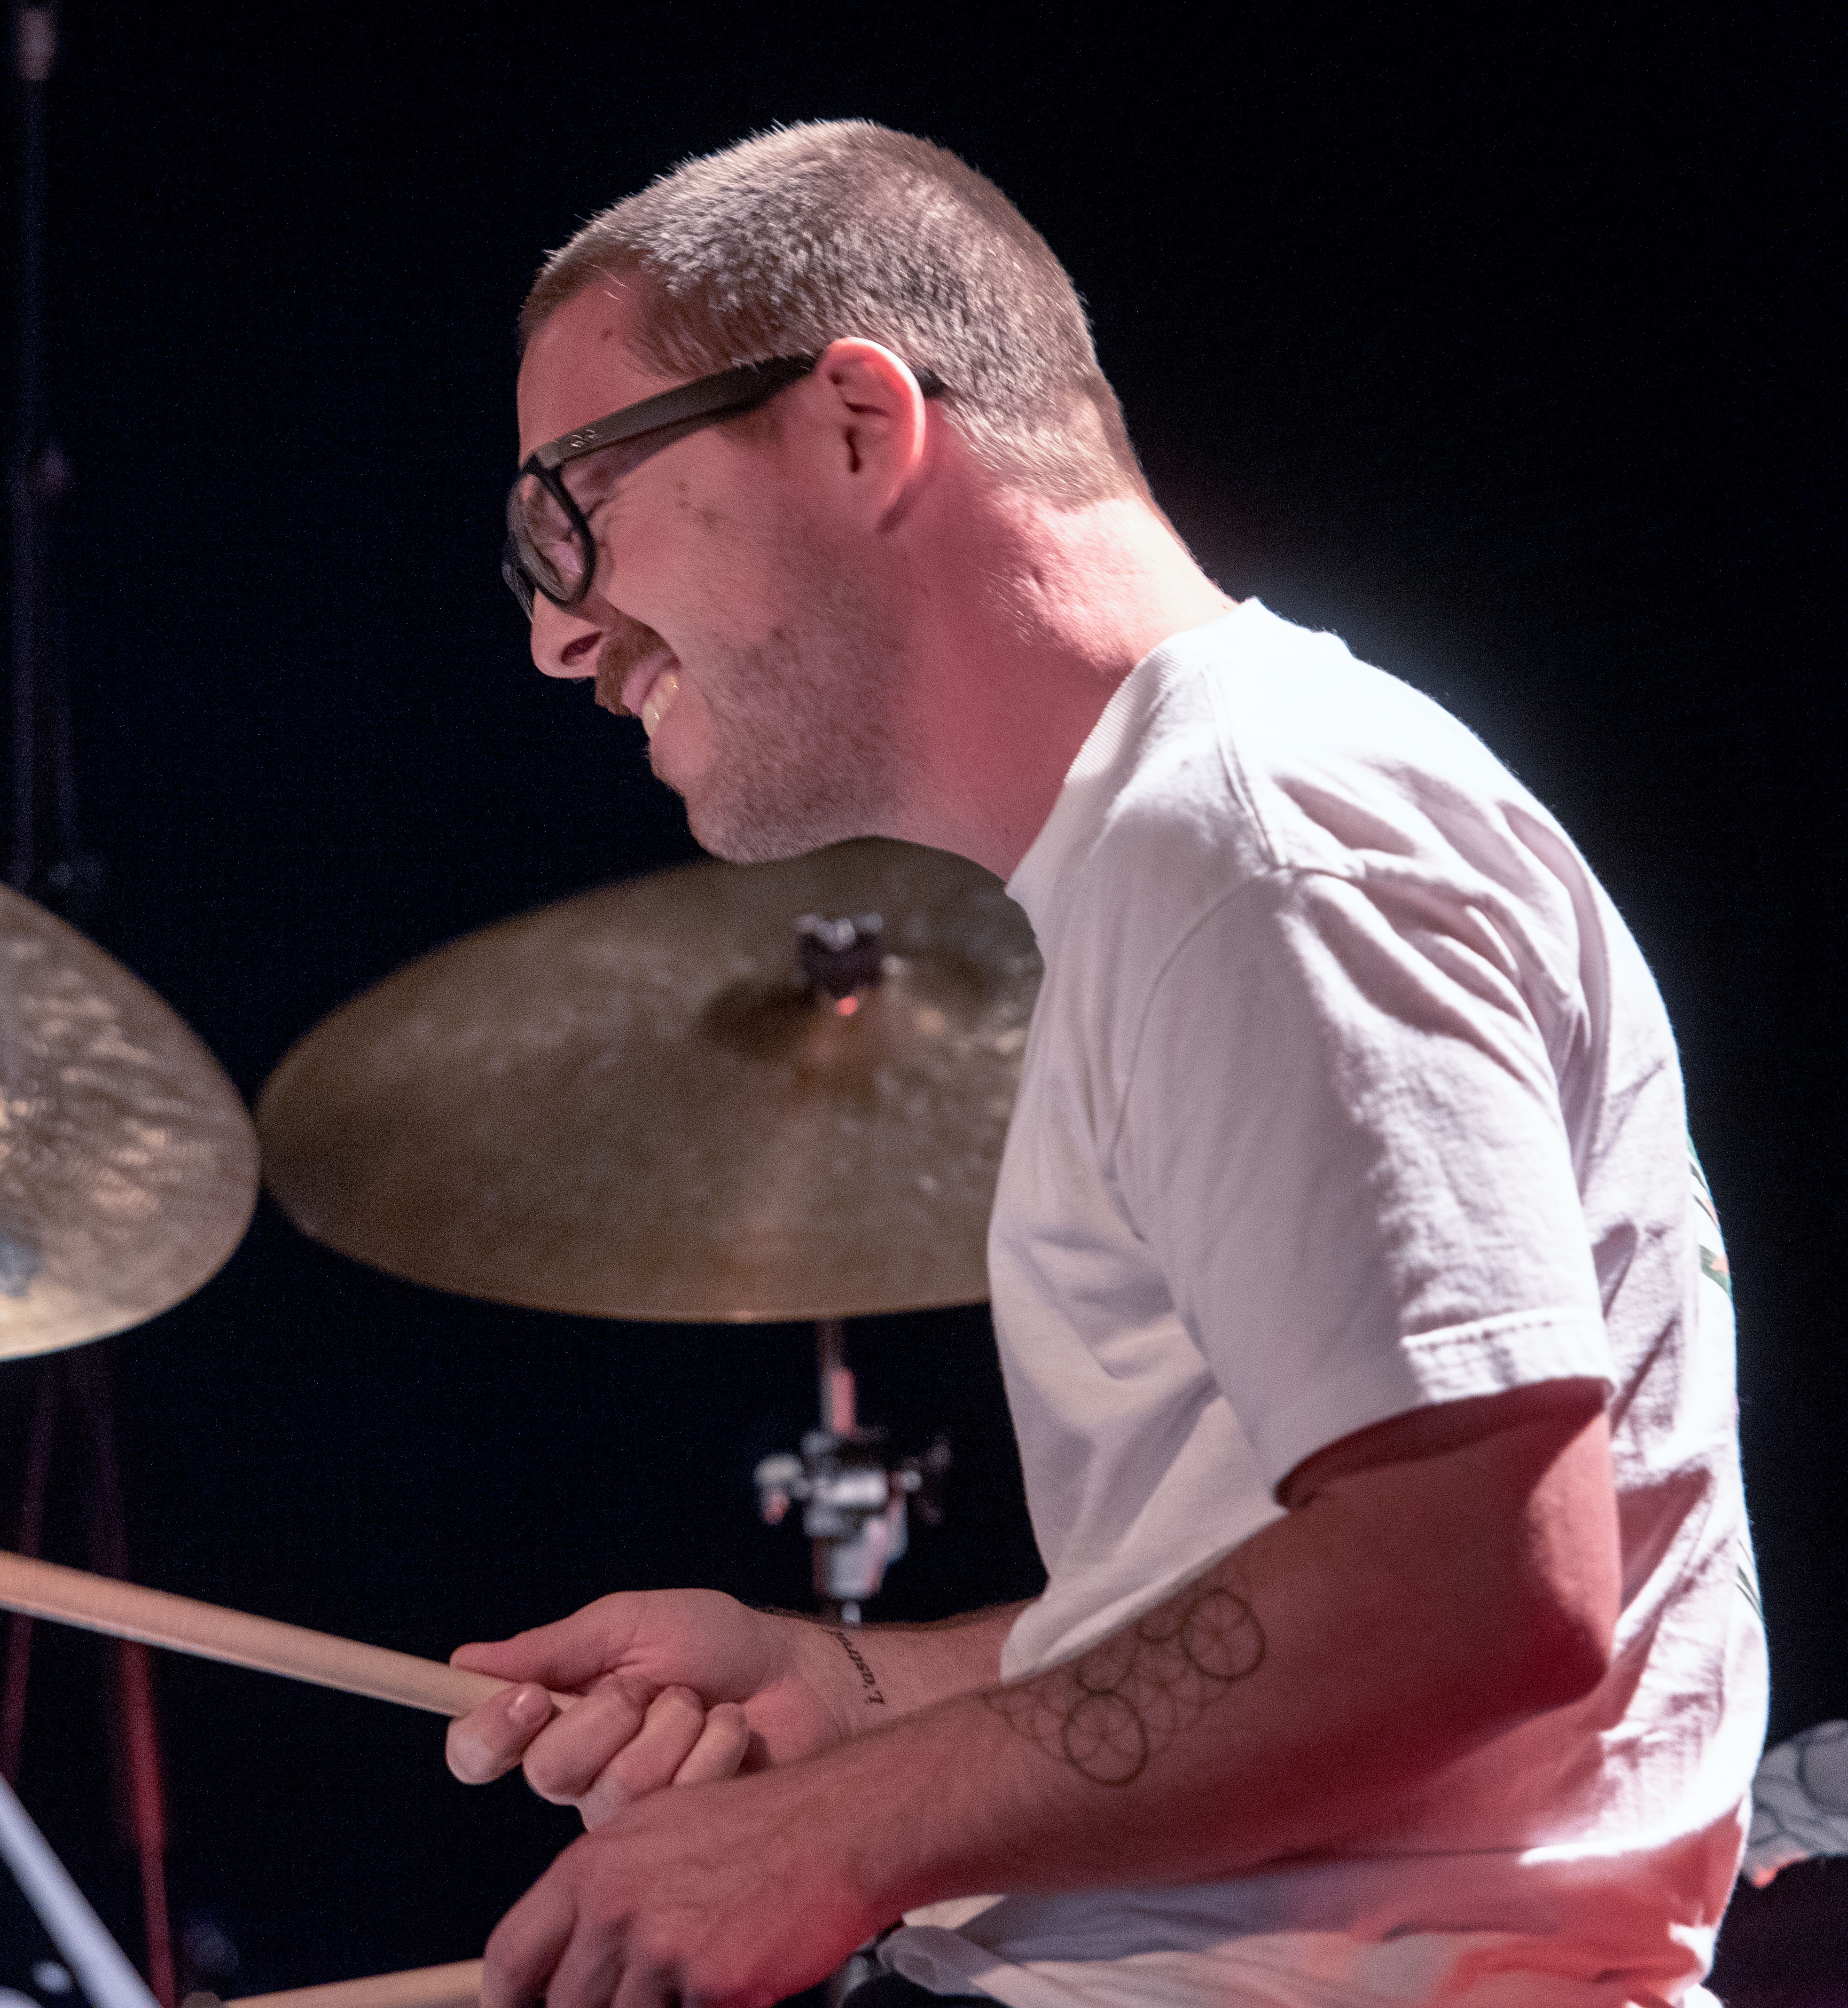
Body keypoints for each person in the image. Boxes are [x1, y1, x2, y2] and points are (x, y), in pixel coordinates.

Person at [454, 121, 1763, 2008]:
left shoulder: (1246, 840)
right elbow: (1279, 1580)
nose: (555, 631)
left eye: (566, 509)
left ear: (851, 424)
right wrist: (846, 1691)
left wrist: (838, 1831)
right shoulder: (1186, 838)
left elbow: (1473, 1584)